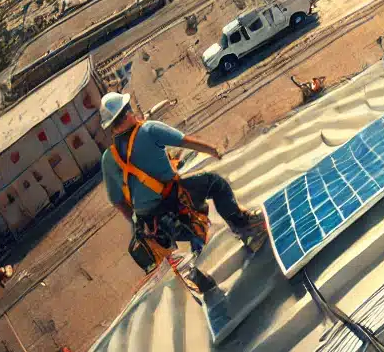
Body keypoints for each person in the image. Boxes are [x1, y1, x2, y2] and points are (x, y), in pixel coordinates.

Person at [100, 92, 266, 298]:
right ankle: (246, 228)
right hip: (175, 200)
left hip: (150, 220)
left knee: (172, 254)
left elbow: (118, 201)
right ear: (127, 114)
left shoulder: (108, 159)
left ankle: (203, 285)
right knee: (216, 184)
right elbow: (185, 142)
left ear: (111, 126)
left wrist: (136, 223)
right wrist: (212, 149)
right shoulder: (149, 129)